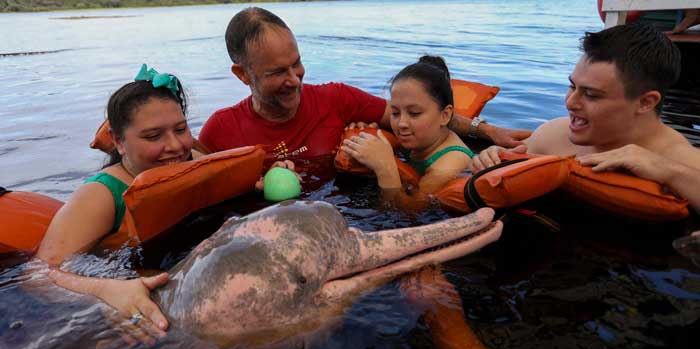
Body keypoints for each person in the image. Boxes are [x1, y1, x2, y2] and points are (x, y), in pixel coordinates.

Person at [198, 7, 530, 165]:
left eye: (296, 63)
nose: (294, 79)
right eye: (276, 73)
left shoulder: (335, 99)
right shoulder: (219, 132)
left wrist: (486, 131)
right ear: (242, 75)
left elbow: (416, 118)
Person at [35, 65, 200, 344]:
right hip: (124, 287)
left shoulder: (192, 159)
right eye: (153, 136)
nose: (175, 146)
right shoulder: (101, 195)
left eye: (181, 129)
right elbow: (38, 276)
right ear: (118, 141)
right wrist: (104, 291)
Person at [471, 23, 700, 213]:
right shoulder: (552, 136)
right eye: (572, 86)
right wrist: (488, 160)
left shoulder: (684, 163)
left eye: (591, 94)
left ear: (645, 102)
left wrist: (670, 173)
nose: (570, 102)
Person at [341, 55, 473, 198]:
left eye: (414, 113)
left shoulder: (449, 165)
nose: (401, 123)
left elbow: (409, 213)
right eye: (395, 113)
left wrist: (385, 167)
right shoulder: (420, 139)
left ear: (445, 115)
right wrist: (366, 132)